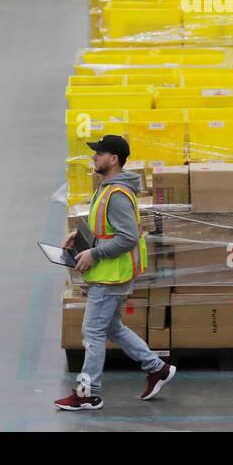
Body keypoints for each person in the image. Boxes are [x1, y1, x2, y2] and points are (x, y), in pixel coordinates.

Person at [54, 134, 177, 411]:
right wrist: (80, 235)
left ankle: (89, 393)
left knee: (92, 332)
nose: (94, 157)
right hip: (109, 273)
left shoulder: (117, 194)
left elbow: (128, 237)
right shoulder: (106, 188)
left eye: (99, 153)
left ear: (113, 159)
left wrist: (93, 252)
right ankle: (157, 368)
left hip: (111, 275)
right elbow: (104, 226)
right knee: (111, 327)